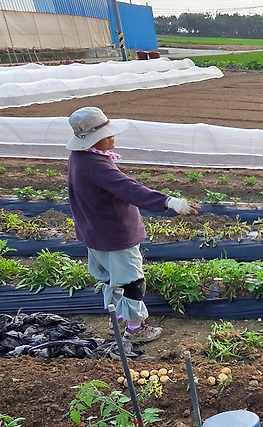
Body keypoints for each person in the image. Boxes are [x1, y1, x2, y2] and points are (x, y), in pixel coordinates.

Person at [65, 106, 197, 344]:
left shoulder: (80, 157)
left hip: (94, 231)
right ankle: (135, 329)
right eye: (105, 134)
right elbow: (128, 188)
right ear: (91, 139)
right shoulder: (97, 165)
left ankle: (116, 318)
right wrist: (169, 201)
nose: (112, 137)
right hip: (115, 234)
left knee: (111, 278)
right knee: (132, 281)